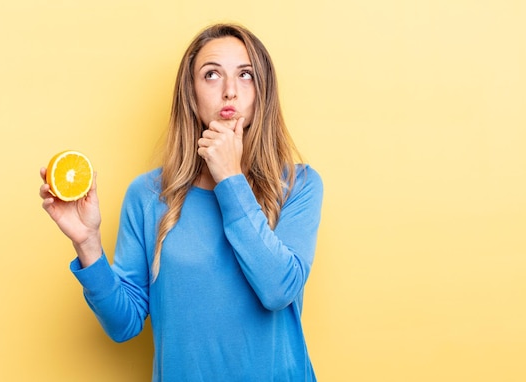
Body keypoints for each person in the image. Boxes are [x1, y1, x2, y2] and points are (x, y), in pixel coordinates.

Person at [40, 23, 323, 382]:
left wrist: (231, 180)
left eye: (246, 75)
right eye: (211, 75)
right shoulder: (148, 195)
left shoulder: (298, 185)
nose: (230, 92)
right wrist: (87, 244)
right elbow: (123, 324)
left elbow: (278, 290)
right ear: (190, 92)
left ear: (263, 91)